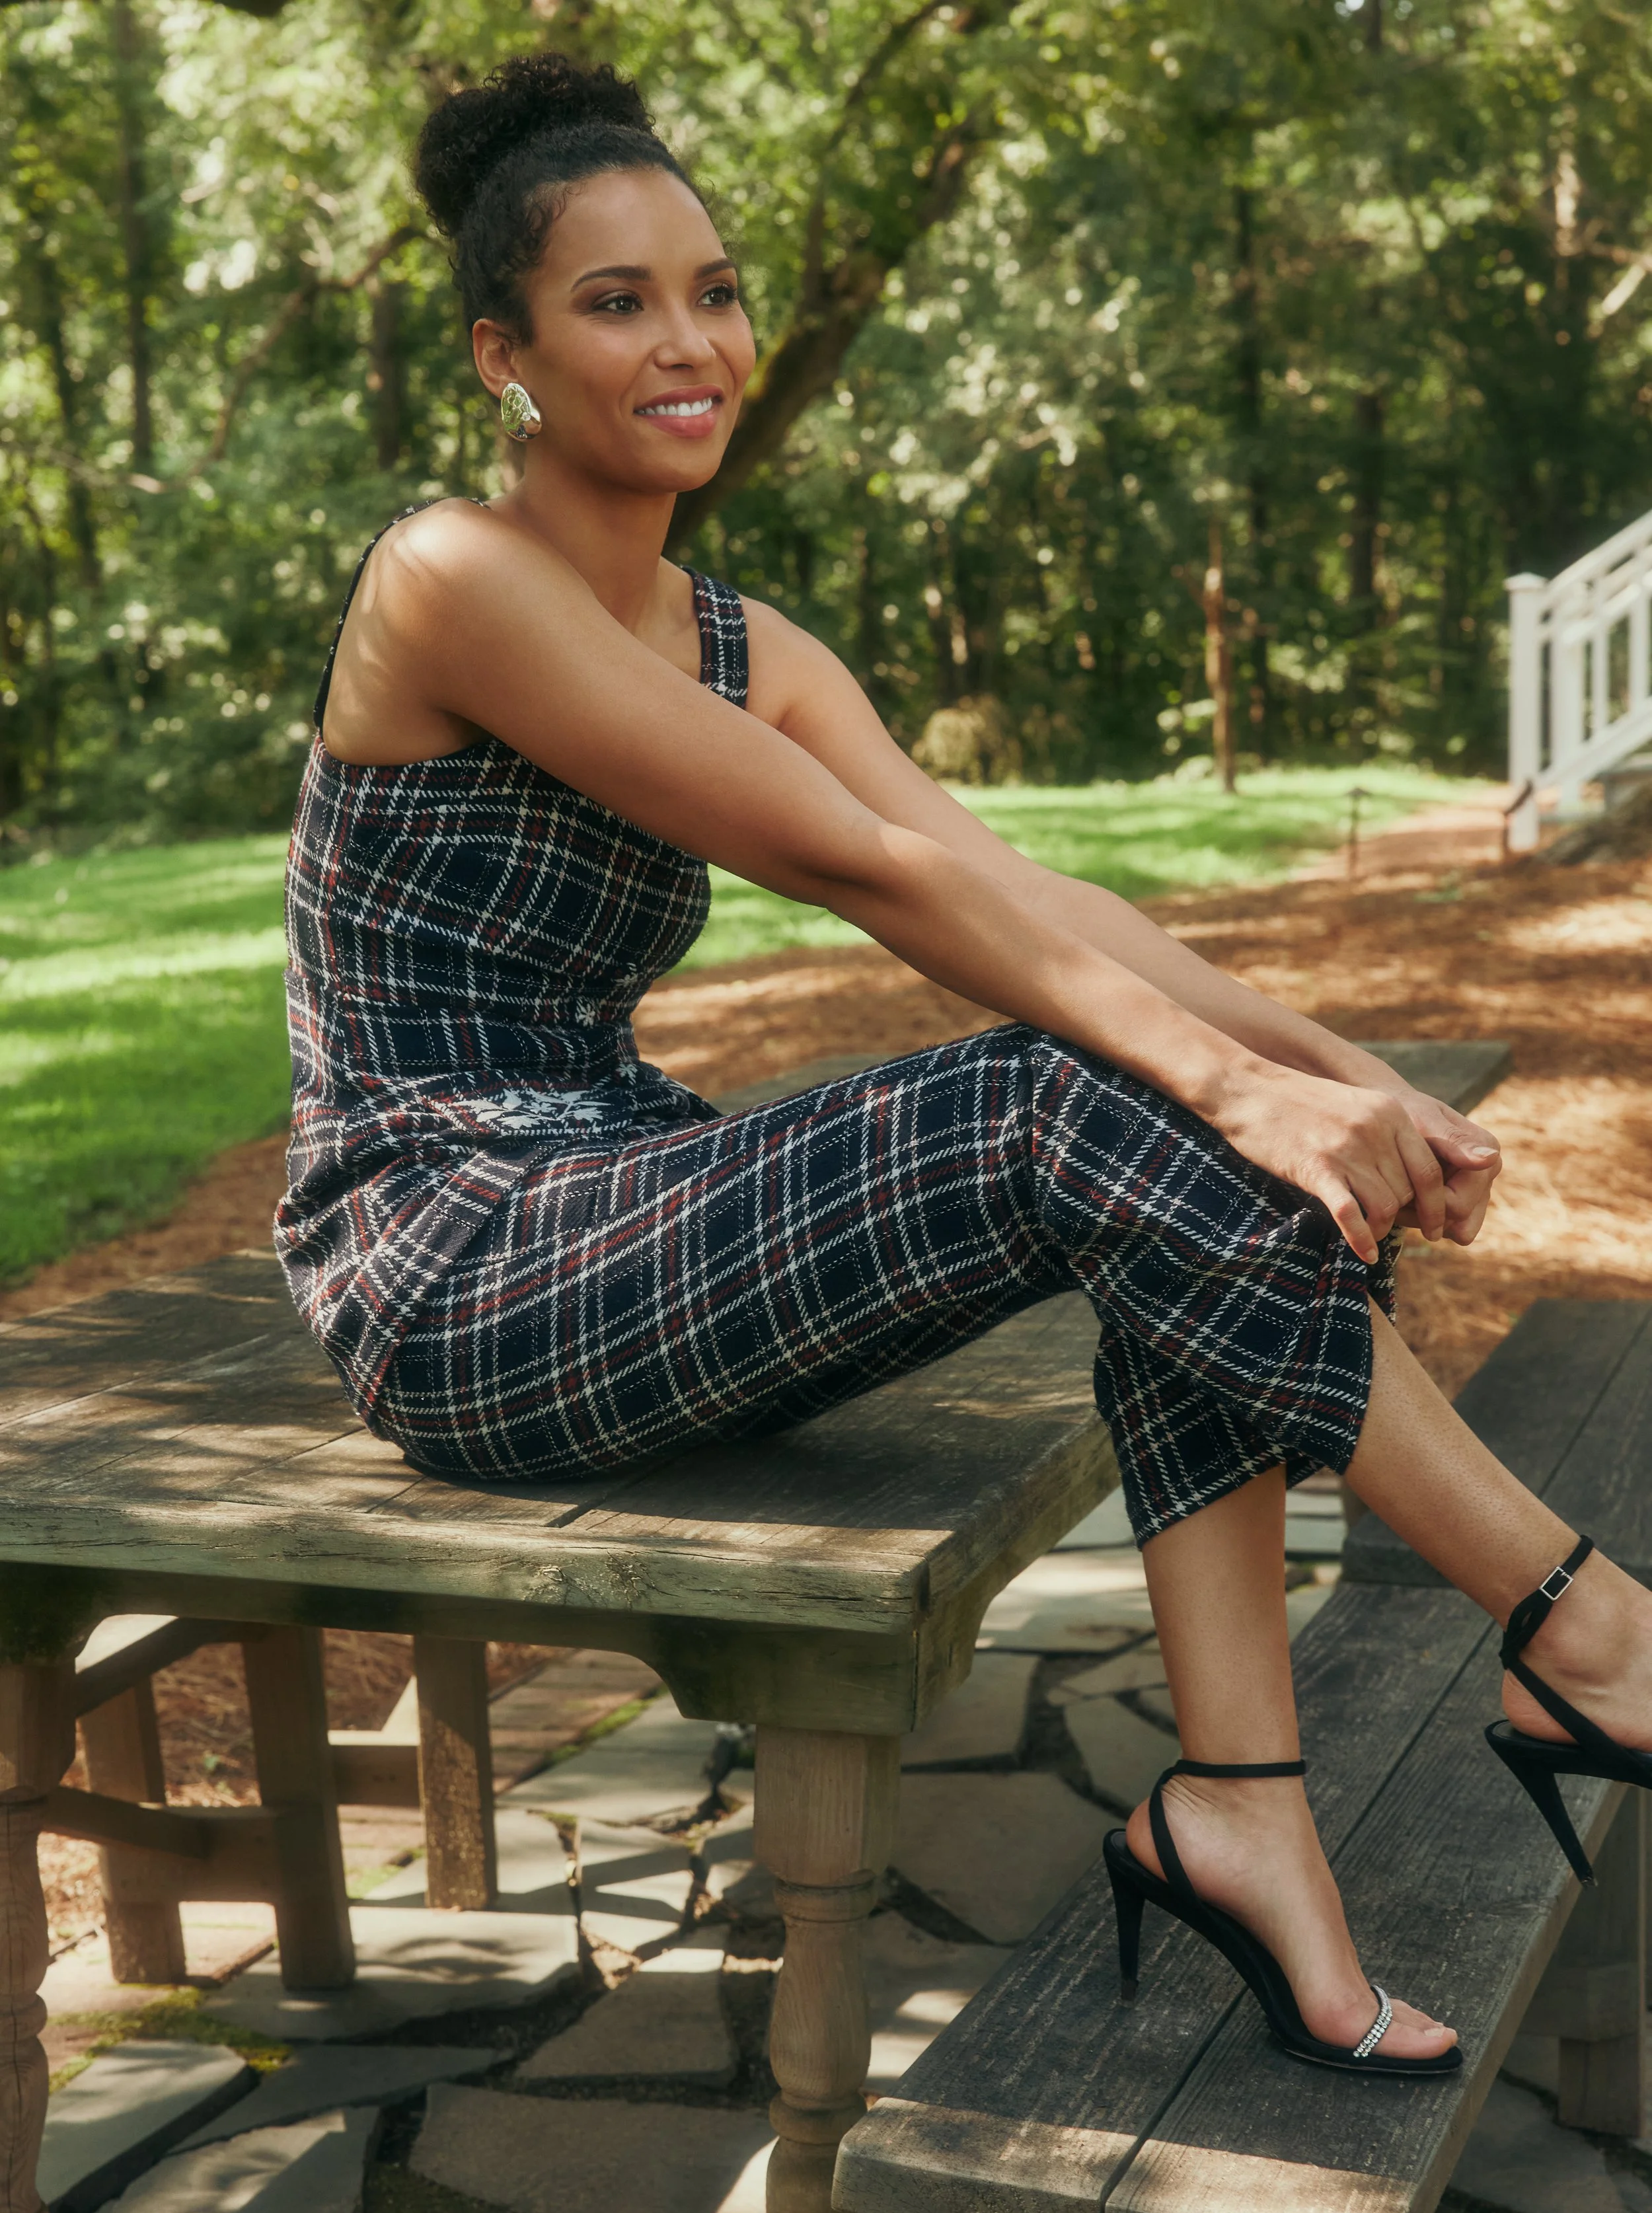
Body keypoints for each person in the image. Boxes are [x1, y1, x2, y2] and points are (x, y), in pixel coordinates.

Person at [276, 52, 1652, 2076]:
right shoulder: (448, 577)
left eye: (714, 290)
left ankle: (1241, 1806)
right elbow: (861, 869)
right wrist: (1231, 1085)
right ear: (506, 354)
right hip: (452, 1267)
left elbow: (1008, 881)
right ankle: (1583, 1625)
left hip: (616, 1194)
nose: (690, 342)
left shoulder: (745, 644)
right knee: (1080, 1096)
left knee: (1167, 1124)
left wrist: (1324, 1060)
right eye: (616, 301)